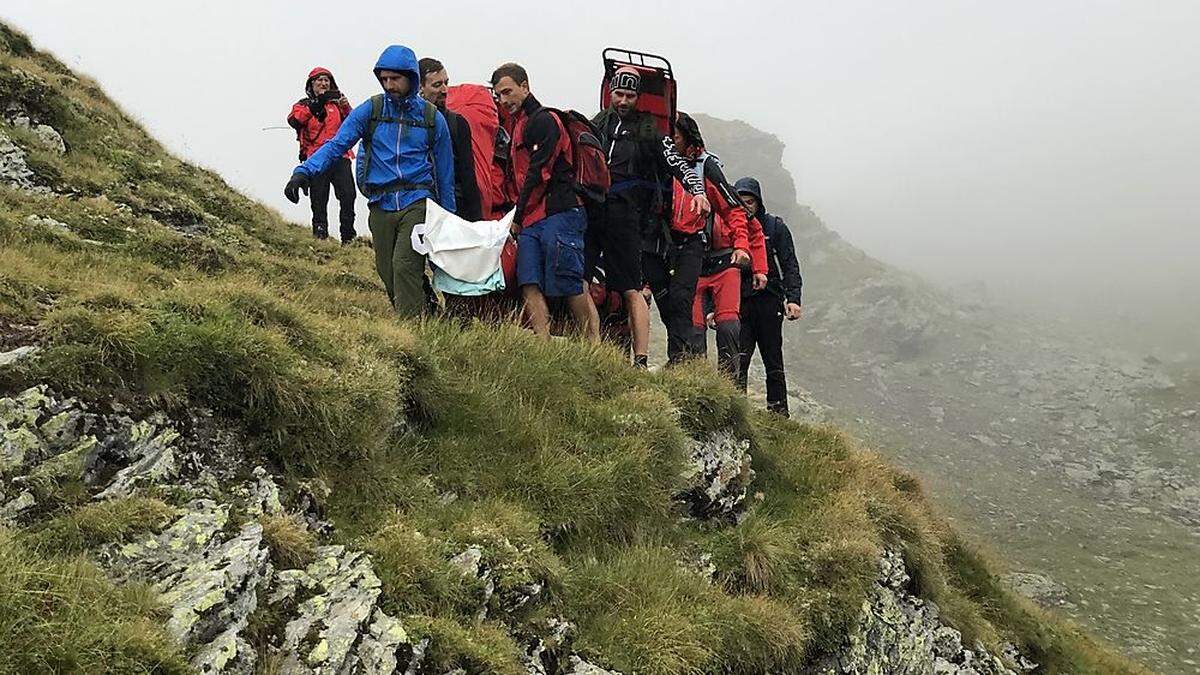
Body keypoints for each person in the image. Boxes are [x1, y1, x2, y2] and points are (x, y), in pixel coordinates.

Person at [284, 45, 456, 317]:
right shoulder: (371, 110)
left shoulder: (432, 118)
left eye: (395, 79)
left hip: (418, 202)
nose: (389, 85)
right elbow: (337, 143)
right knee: (387, 272)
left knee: (403, 266)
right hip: (380, 204)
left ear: (411, 78)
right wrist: (304, 171)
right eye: (384, 79)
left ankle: (411, 336)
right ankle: (430, 314)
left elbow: (445, 174)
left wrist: (448, 220)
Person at [591, 66, 710, 368]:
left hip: (629, 217)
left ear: (638, 97)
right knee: (584, 281)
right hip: (596, 212)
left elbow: (677, 163)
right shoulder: (598, 124)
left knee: (631, 288)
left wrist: (697, 191)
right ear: (610, 93)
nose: (623, 101)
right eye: (618, 94)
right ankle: (593, 347)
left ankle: (641, 359)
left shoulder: (648, 130)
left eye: (630, 95)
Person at [491, 62, 599, 341]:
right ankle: (544, 344)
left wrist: (515, 218)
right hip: (530, 219)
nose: (504, 100)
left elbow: (538, 173)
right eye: (499, 95)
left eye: (508, 91)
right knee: (528, 280)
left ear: (525, 86)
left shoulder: (543, 120)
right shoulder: (516, 125)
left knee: (570, 282)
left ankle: (594, 346)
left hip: (559, 212)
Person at [644, 112, 761, 365]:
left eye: (674, 137)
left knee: (703, 314)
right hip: (660, 246)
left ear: (687, 138)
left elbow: (734, 209)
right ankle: (683, 365)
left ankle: (716, 379)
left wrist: (741, 247)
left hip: (695, 247)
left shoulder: (705, 166)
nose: (669, 143)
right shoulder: (653, 162)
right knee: (671, 308)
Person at [734, 177, 803, 416]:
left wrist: (793, 299)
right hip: (739, 303)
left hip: (770, 302)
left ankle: (779, 415)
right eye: (740, 202)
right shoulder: (729, 229)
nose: (745, 207)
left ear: (759, 202)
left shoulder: (774, 228)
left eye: (750, 202)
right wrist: (711, 306)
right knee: (738, 360)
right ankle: (736, 412)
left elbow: (789, 264)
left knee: (773, 361)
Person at [286, 67, 357, 243]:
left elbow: (355, 122)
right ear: (311, 84)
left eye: (327, 80)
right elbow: (295, 120)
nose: (324, 83)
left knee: (348, 195)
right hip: (315, 157)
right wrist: (316, 104)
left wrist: (345, 106)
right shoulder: (304, 104)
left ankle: (348, 236)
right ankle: (320, 235)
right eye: (319, 80)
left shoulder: (337, 105)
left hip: (340, 157)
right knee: (319, 197)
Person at [419, 58, 483, 222]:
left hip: (455, 210)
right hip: (417, 208)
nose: (445, 90)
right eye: (437, 85)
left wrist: (476, 222)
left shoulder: (457, 123)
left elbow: (468, 175)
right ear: (420, 88)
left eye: (446, 82)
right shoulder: (406, 125)